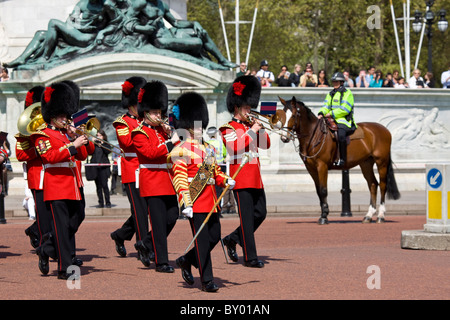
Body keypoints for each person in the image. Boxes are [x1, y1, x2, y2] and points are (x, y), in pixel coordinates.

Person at [170, 91, 234, 292]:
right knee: (203, 241)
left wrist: (225, 180)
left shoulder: (207, 148)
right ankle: (207, 280)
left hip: (212, 201)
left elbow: (214, 173)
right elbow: (180, 179)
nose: (200, 129)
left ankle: (187, 260)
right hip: (195, 200)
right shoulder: (181, 150)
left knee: (214, 236)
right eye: (196, 125)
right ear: (187, 127)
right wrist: (185, 203)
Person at [31, 82, 89, 279]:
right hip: (56, 187)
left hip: (73, 186)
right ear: (52, 116)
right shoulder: (42, 135)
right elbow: (50, 157)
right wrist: (72, 145)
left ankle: (46, 248)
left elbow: (83, 155)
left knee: (78, 218)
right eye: (62, 116)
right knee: (62, 228)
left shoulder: (68, 134)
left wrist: (81, 138)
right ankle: (64, 269)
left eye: (66, 116)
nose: (65, 119)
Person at [219, 75, 270, 269]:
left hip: (255, 178)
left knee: (261, 213)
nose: (250, 111)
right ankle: (250, 257)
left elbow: (266, 145)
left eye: (250, 107)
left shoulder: (251, 126)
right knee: (247, 219)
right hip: (240, 177)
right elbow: (235, 147)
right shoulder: (228, 128)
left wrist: (261, 129)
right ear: (237, 107)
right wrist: (252, 130)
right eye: (247, 107)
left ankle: (232, 239)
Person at [131, 80, 180, 272]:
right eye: (154, 113)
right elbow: (150, 153)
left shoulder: (163, 131)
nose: (158, 116)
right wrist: (169, 142)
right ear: (145, 113)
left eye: (160, 113)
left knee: (172, 216)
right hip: (152, 180)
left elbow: (174, 152)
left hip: (167, 180)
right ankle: (161, 262)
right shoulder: (139, 132)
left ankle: (146, 243)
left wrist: (171, 135)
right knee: (159, 223)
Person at [110, 76, 151, 262]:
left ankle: (120, 235)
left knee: (147, 211)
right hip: (132, 172)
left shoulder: (146, 120)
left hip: (148, 171)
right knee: (140, 212)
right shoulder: (122, 122)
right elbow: (127, 143)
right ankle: (143, 247)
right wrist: (144, 127)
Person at [16, 86, 53, 250]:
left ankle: (36, 231)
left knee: (56, 213)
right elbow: (20, 155)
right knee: (43, 214)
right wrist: (37, 151)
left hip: (54, 174)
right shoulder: (25, 132)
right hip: (38, 175)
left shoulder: (50, 128)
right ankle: (45, 245)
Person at [318, 72, 357, 167]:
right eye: (333, 81)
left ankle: (342, 159)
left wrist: (330, 113)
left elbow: (345, 109)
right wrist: (321, 113)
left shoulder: (347, 93)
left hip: (344, 121)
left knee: (341, 135)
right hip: (330, 120)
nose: (334, 83)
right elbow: (326, 106)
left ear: (342, 82)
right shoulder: (330, 93)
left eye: (336, 81)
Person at [90, 129, 112, 208]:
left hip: (104, 168)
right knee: (98, 187)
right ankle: (101, 202)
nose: (98, 137)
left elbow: (108, 151)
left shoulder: (105, 144)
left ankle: (108, 202)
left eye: (100, 135)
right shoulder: (94, 145)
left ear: (103, 136)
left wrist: (102, 144)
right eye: (97, 135)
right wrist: (92, 142)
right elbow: (89, 152)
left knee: (105, 186)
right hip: (96, 168)